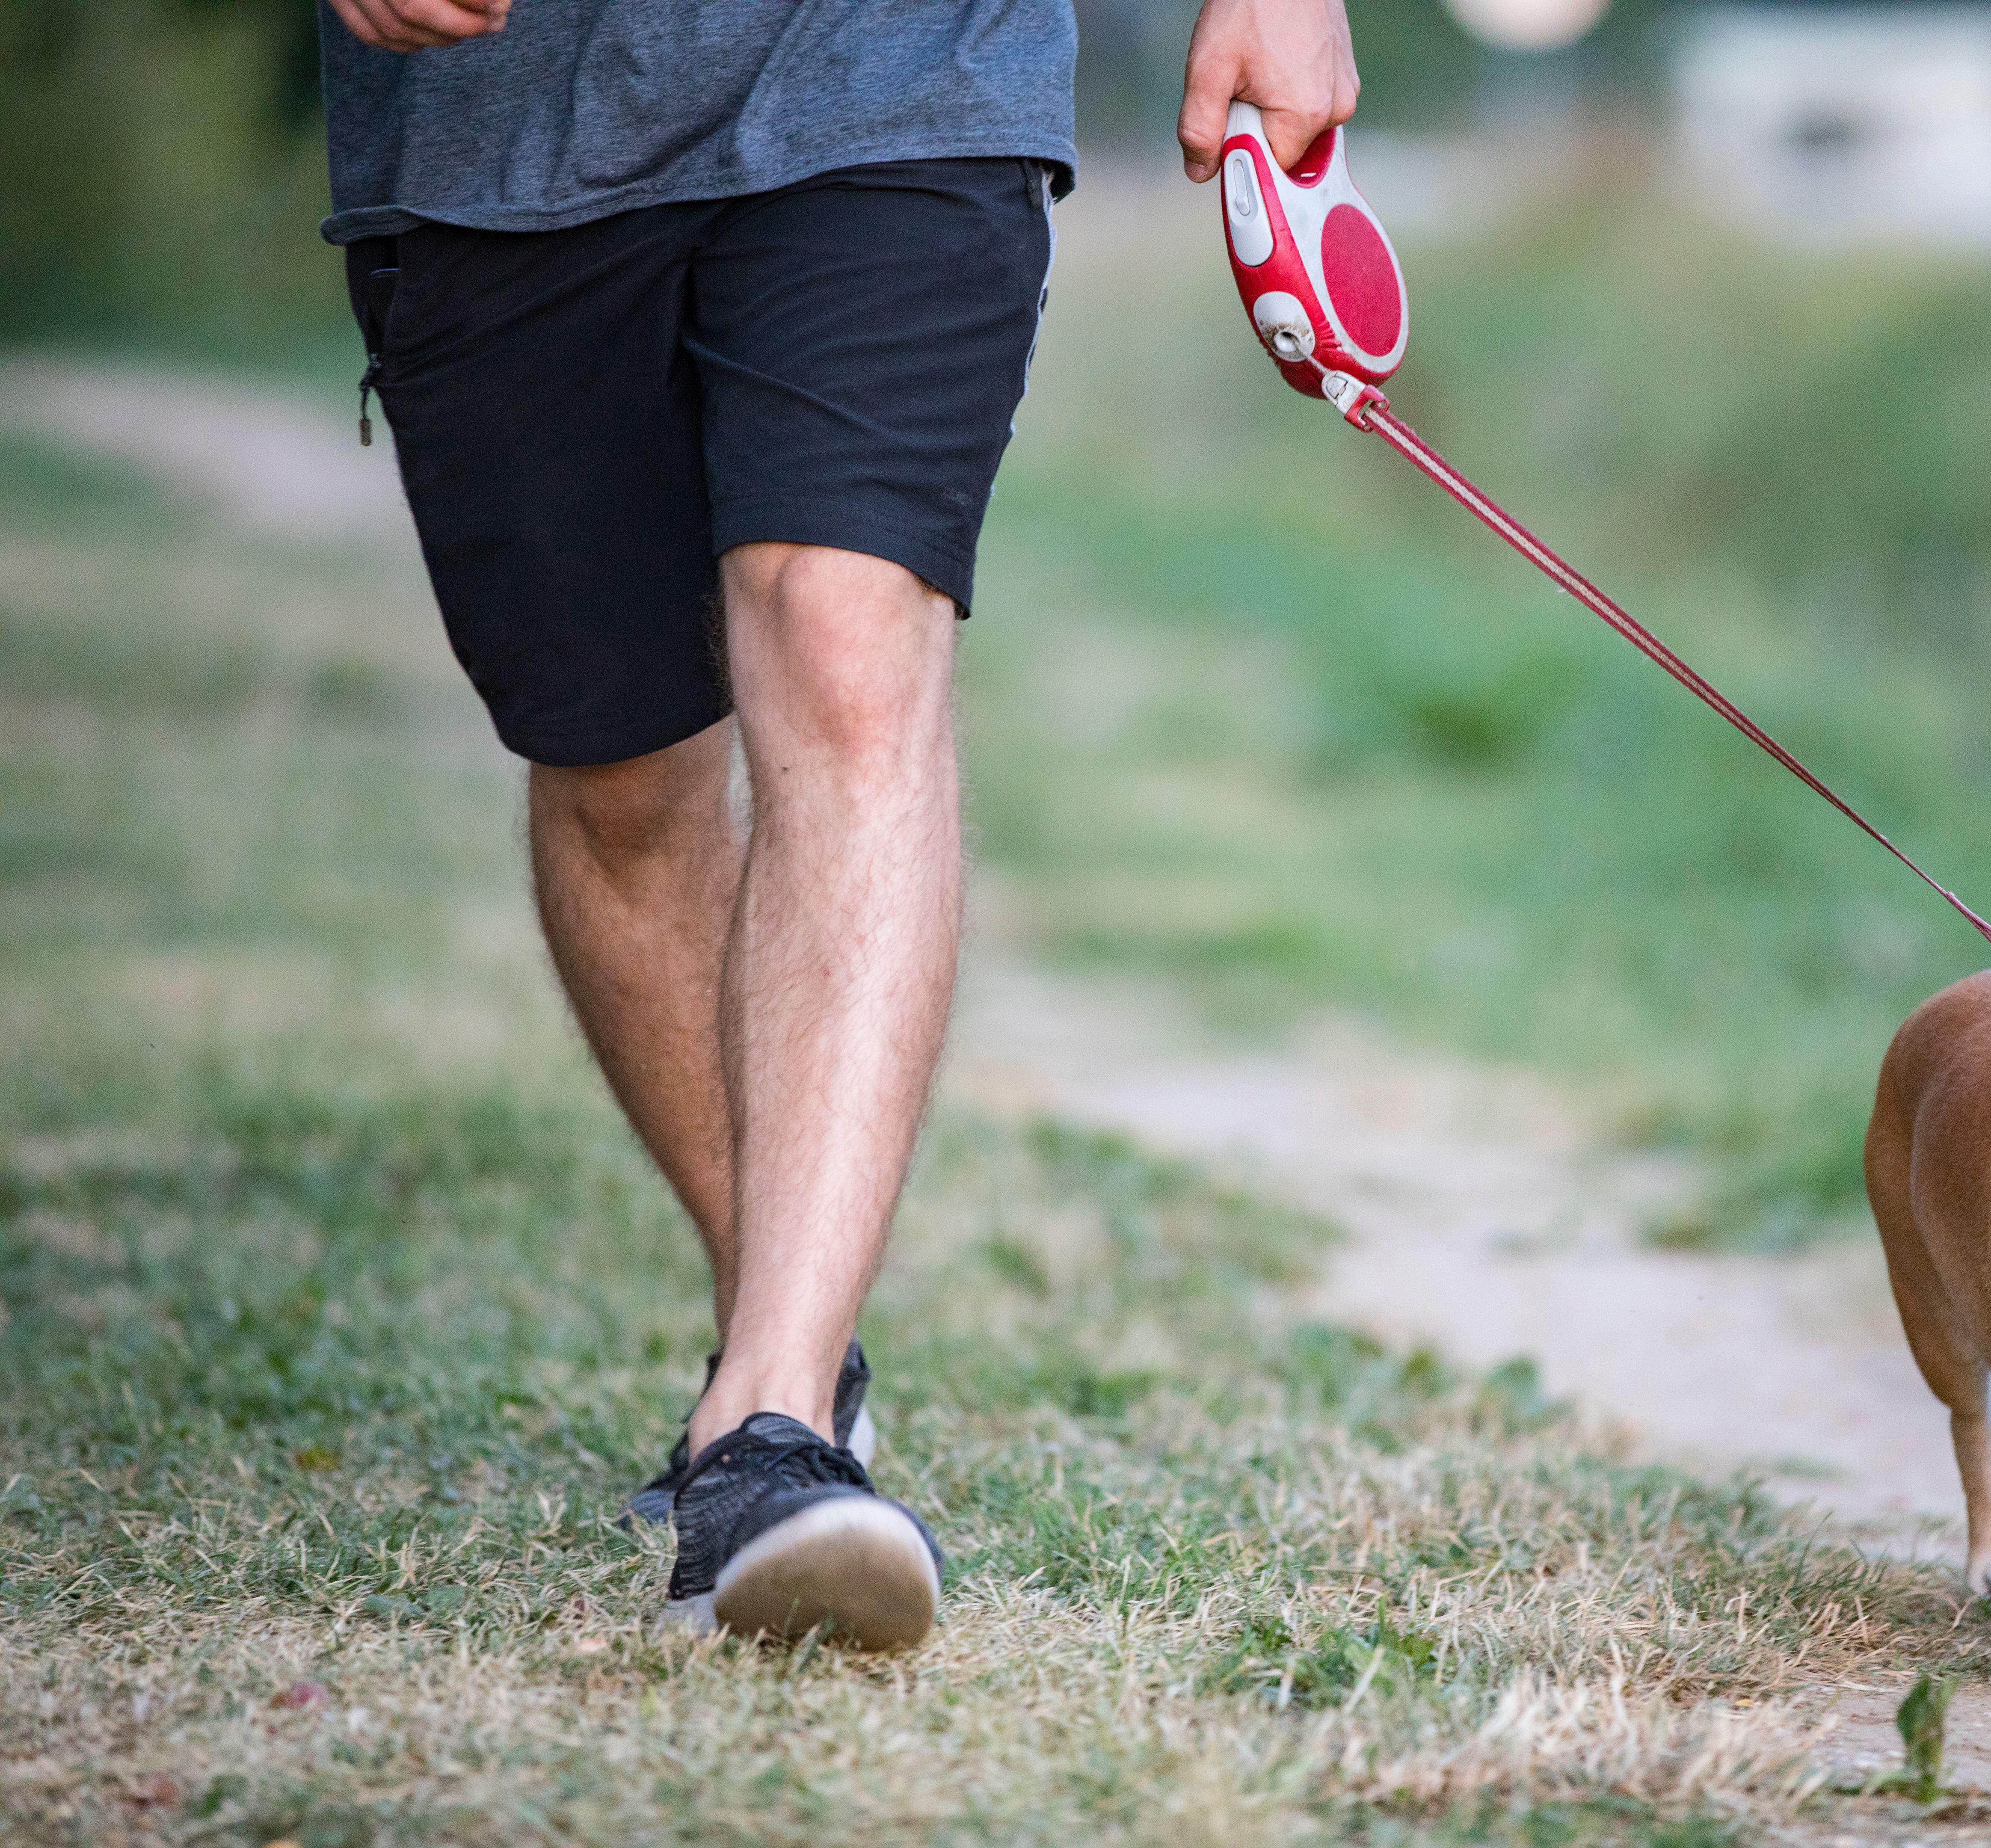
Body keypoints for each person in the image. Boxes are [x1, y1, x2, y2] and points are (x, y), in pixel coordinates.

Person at [319, 0, 1358, 1648]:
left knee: (844, 636)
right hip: (499, 133)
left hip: (907, 71)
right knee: (624, 783)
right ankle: (786, 1347)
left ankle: (769, 1429)